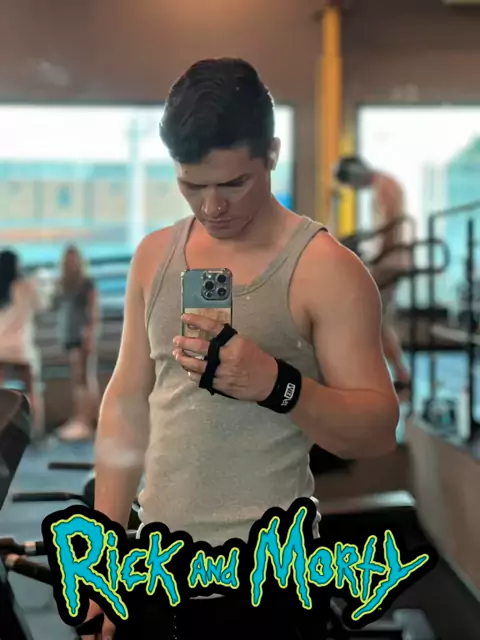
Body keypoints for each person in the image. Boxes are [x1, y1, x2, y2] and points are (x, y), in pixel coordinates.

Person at [85, 59, 399, 640]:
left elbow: (378, 432)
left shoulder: (326, 270)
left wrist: (278, 385)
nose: (212, 207)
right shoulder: (154, 257)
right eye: (191, 185)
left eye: (233, 184)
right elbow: (127, 403)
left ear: (272, 154)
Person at [334, 155, 412, 391]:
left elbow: (390, 230)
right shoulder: (382, 186)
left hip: (391, 261)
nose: (354, 189)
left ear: (356, 173)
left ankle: (389, 374)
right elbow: (384, 229)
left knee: (365, 316)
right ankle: (399, 374)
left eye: (351, 183)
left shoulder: (385, 187)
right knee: (377, 321)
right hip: (389, 259)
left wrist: (375, 259)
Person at [0, 249, 49, 438]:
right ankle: (36, 431)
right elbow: (42, 306)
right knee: (32, 391)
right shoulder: (27, 287)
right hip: (22, 349)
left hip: (1, 348)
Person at [53, 245, 99, 441]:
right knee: (78, 378)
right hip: (69, 334)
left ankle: (85, 420)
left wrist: (90, 334)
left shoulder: (85, 283)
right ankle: (81, 418)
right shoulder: (63, 284)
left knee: (83, 378)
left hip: (82, 335)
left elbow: (93, 310)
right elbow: (55, 306)